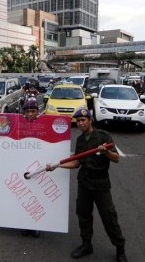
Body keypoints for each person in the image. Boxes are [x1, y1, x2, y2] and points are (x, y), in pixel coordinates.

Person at [46, 108, 128, 262]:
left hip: (101, 183)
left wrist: (106, 153)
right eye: (78, 120)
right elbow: (77, 163)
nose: (81, 123)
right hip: (84, 182)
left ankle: (120, 248)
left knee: (109, 217)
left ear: (90, 120)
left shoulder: (103, 136)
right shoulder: (80, 140)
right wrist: (56, 166)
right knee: (83, 215)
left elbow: (116, 158)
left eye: (83, 120)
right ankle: (86, 244)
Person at [20, 99, 41, 238]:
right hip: (23, 165)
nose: (30, 114)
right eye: (27, 111)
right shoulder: (18, 126)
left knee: (38, 196)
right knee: (24, 196)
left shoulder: (43, 125)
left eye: (33, 111)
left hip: (37, 167)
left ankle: (37, 225)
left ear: (37, 112)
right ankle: (26, 224)